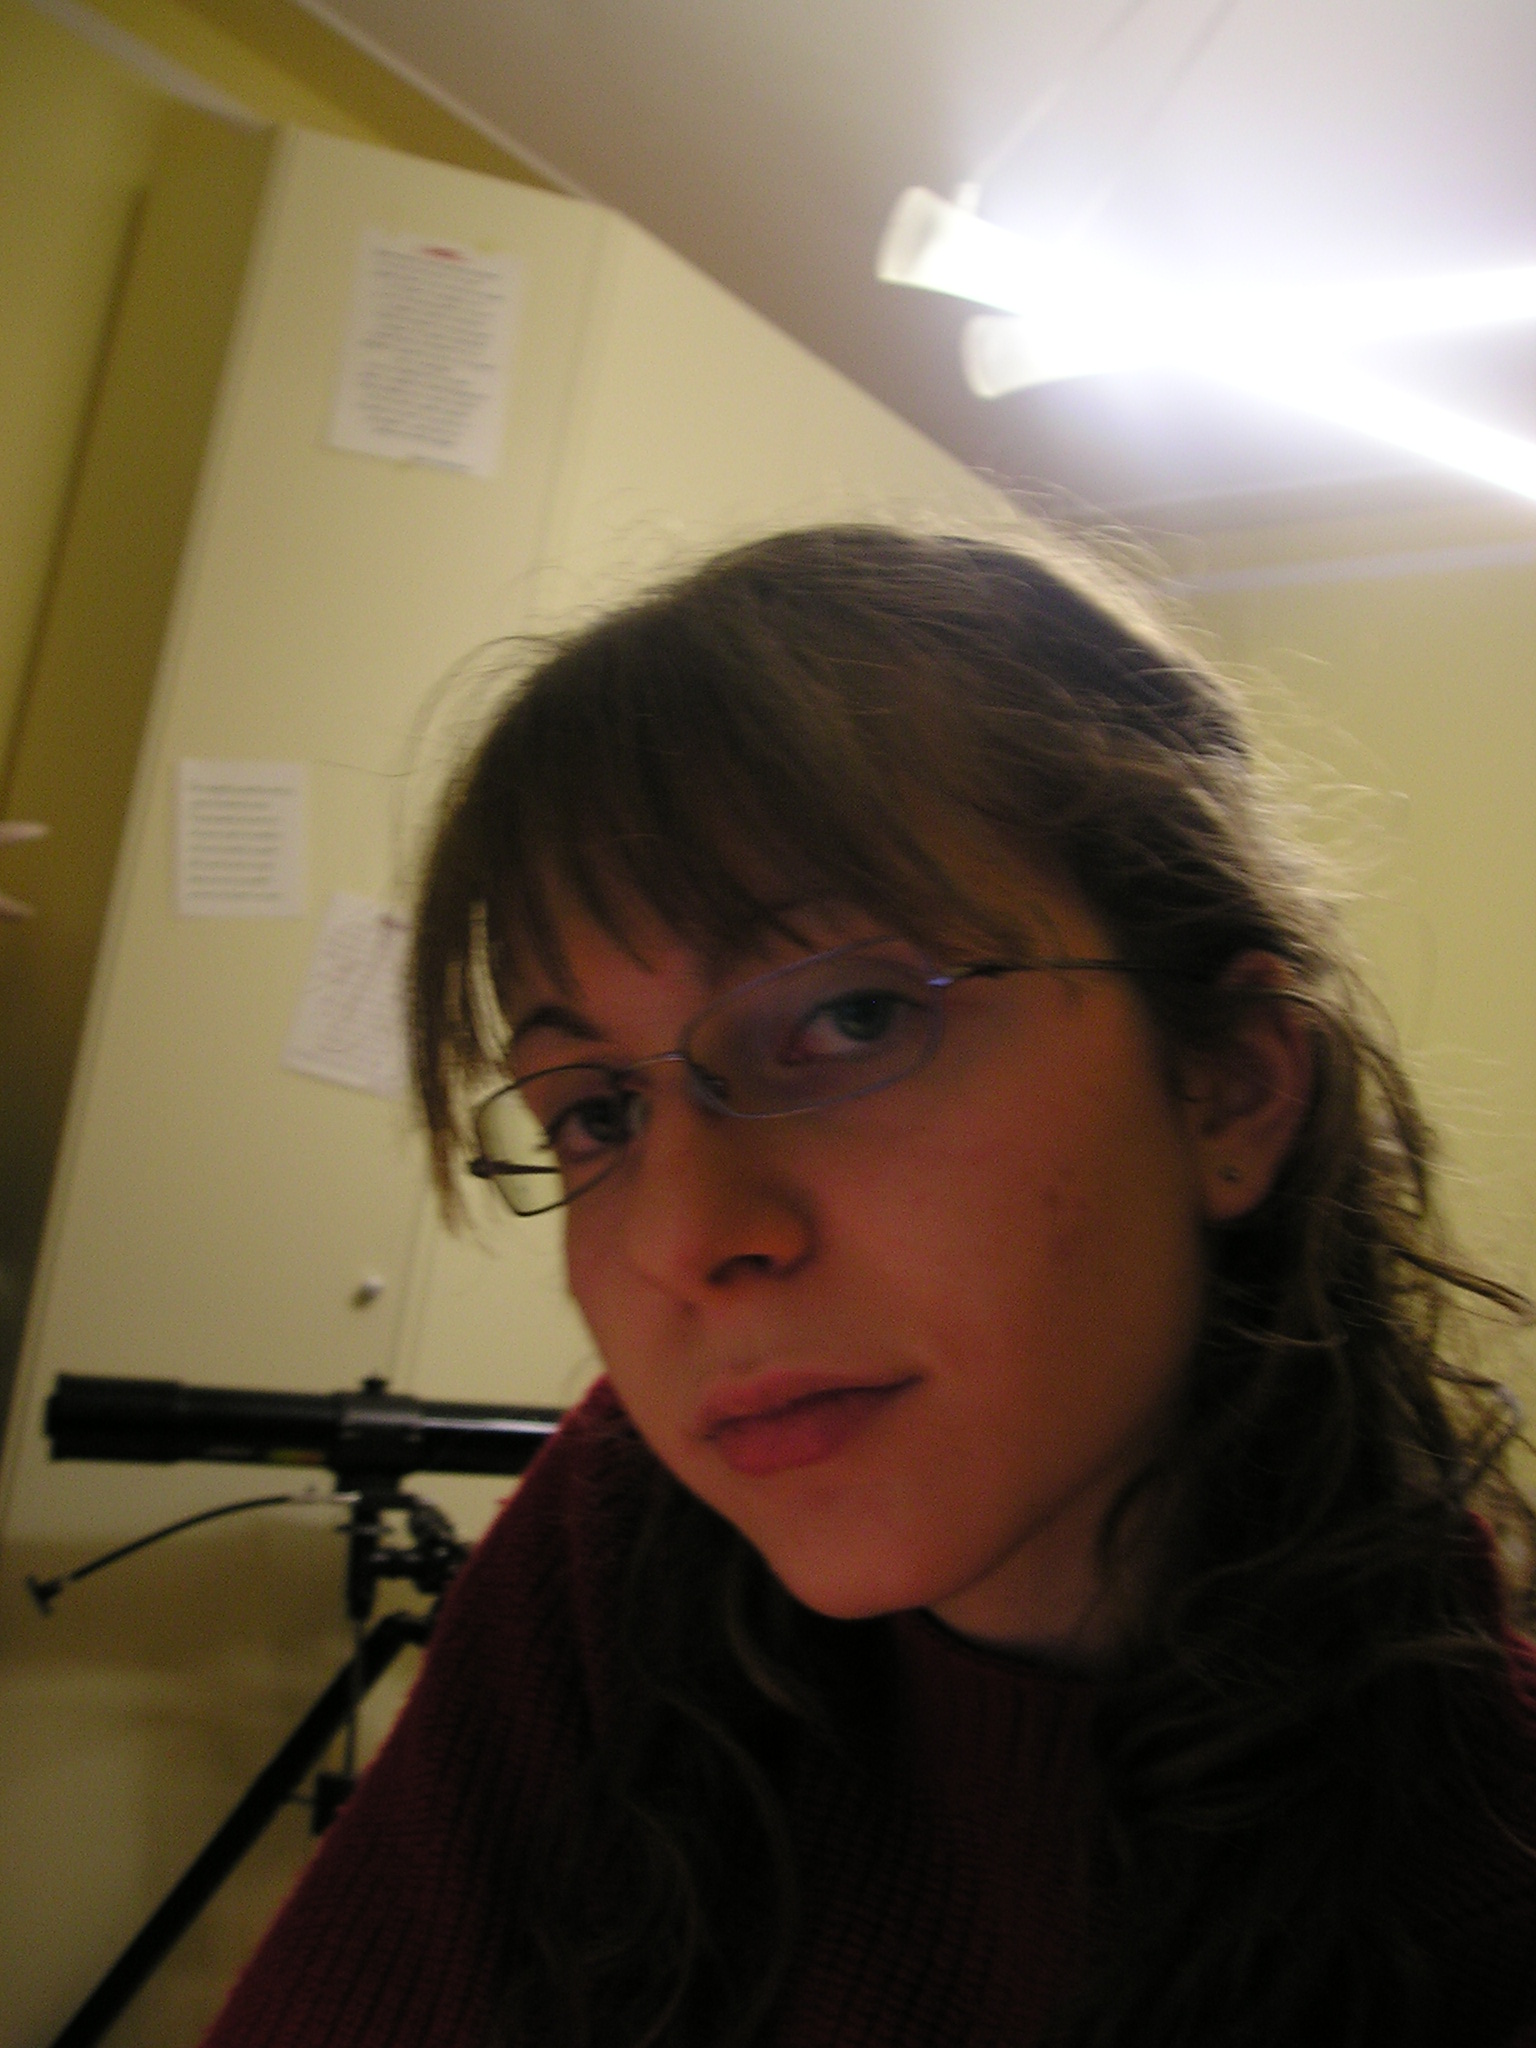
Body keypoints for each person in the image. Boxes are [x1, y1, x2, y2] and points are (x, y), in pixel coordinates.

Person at [203, 524, 1536, 2048]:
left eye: (849, 1020)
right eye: (599, 1113)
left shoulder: (1487, 1874)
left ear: (1229, 1084)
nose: (683, 1238)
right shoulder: (620, 1551)